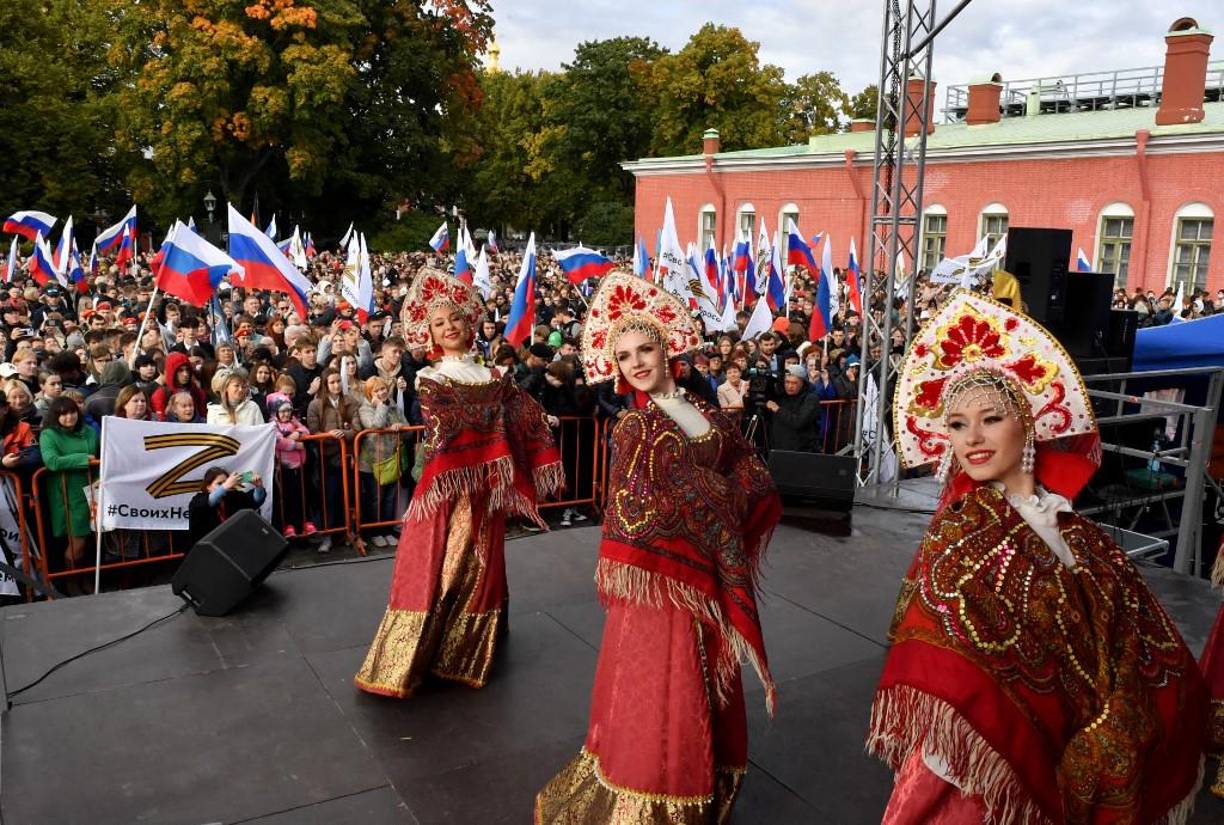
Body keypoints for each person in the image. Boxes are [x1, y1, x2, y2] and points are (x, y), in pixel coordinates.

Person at [869, 290, 1207, 824]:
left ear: (1029, 423)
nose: (971, 439)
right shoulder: (961, 536)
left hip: (1081, 756)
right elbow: (953, 675)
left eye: (989, 419)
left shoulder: (1081, 535)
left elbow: (1142, 643)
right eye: (956, 424)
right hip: (991, 782)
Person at [536, 272, 781, 823]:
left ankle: (701, 776)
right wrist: (712, 498)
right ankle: (650, 792)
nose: (637, 362)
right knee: (659, 688)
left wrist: (713, 498)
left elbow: (754, 478)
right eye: (624, 356)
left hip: (705, 579)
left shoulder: (711, 413)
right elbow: (638, 510)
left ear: (668, 348)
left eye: (645, 348)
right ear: (617, 368)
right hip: (658, 584)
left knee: (699, 688)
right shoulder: (630, 429)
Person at [354, 268, 562, 698]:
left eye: (455, 319)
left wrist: (530, 420)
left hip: (486, 489)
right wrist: (497, 425)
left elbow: (523, 412)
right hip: (448, 488)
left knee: (482, 566)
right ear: (429, 333)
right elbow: (448, 426)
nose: (449, 327)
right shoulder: (431, 378)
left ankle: (464, 652)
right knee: (439, 569)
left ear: (470, 323)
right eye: (439, 323)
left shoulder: (493, 376)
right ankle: (415, 657)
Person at [39, 396, 99, 591]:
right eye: (63, 414)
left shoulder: (90, 431)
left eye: (72, 411)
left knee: (92, 540)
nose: (69, 417)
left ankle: (86, 579)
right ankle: (72, 582)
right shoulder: (49, 434)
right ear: (55, 416)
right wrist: (83, 459)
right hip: (68, 494)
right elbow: (52, 461)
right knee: (77, 542)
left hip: (95, 489)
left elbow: (101, 455)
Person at [306, 368, 358, 551]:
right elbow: (313, 431)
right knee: (329, 497)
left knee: (349, 495)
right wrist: (329, 435)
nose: (336, 385)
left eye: (338, 381)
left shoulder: (350, 401)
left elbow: (357, 428)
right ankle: (327, 536)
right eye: (332, 382)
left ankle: (348, 532)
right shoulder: (316, 404)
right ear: (325, 384)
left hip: (347, 456)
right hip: (326, 458)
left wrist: (344, 433)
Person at [355, 376, 410, 548]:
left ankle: (386, 530)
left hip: (392, 459)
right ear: (370, 393)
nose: (382, 392)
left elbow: (407, 429)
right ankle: (375, 532)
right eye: (377, 390)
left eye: (383, 388)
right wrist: (379, 405)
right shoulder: (365, 408)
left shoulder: (393, 405)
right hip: (372, 462)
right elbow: (375, 425)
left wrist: (399, 428)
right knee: (375, 498)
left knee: (390, 498)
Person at [267, 393, 314, 539]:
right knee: (287, 497)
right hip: (284, 467)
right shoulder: (273, 425)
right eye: (282, 411)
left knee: (302, 495)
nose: (286, 414)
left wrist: (296, 435)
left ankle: (305, 522)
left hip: (300, 465)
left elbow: (306, 431)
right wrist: (296, 444)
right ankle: (289, 525)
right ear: (275, 412)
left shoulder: (294, 421)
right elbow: (279, 442)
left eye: (288, 410)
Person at [186, 467, 267, 549]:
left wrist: (258, 486)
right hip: (207, 549)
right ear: (208, 487)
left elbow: (253, 500)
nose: (225, 486)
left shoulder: (231, 496)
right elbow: (207, 503)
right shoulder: (198, 500)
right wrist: (225, 486)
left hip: (232, 546)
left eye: (225, 482)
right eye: (219, 483)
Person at [765, 364, 820, 452]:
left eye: (794, 383)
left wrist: (778, 410)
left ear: (802, 383)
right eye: (787, 382)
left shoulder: (811, 398)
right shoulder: (781, 396)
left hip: (802, 451)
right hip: (779, 449)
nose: (790, 386)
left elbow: (799, 422)